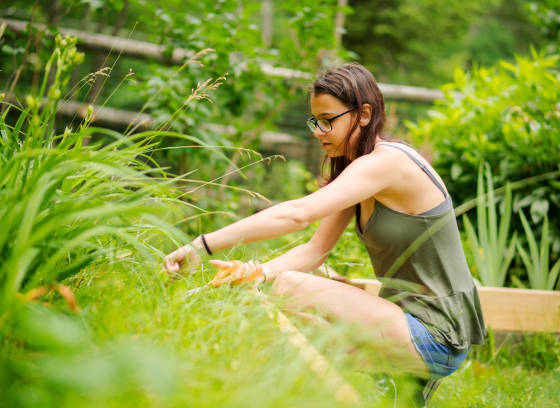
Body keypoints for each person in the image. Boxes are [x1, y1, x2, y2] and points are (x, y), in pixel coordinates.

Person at [163, 63, 486, 382]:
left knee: (288, 285)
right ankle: (395, 391)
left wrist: (201, 245)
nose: (318, 132)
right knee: (299, 330)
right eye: (314, 122)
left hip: (437, 333)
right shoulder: (358, 169)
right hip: (407, 324)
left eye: (328, 121)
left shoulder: (387, 163)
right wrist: (251, 273)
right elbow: (316, 250)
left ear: (363, 115)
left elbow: (297, 214)